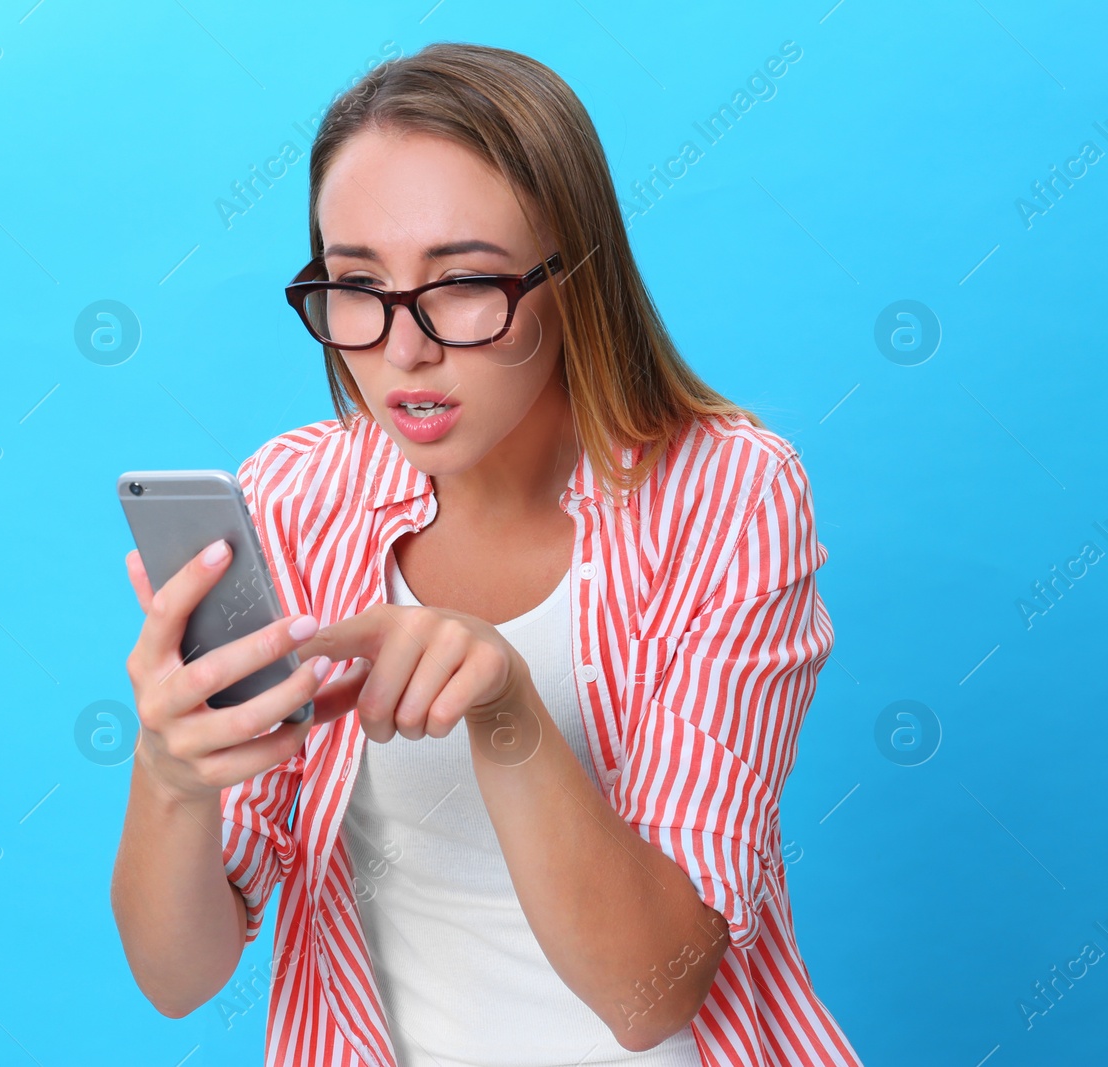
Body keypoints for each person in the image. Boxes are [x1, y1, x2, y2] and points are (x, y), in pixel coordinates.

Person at [112, 42, 862, 1067]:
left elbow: (651, 992)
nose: (402, 348)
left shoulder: (727, 495)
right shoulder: (292, 496)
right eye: (356, 285)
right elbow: (176, 977)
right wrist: (168, 774)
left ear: (576, 279)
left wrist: (507, 712)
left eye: (462, 283)